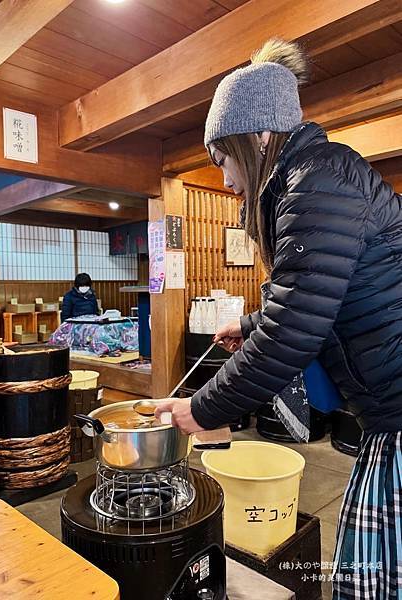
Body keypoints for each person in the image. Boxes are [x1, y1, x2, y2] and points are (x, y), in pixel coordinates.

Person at [155, 39, 402, 599]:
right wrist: (246, 324)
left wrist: (202, 408)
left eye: (222, 159)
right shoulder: (312, 177)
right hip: (388, 409)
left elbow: (296, 326)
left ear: (260, 136)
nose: (223, 179)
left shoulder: (315, 181)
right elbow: (313, 290)